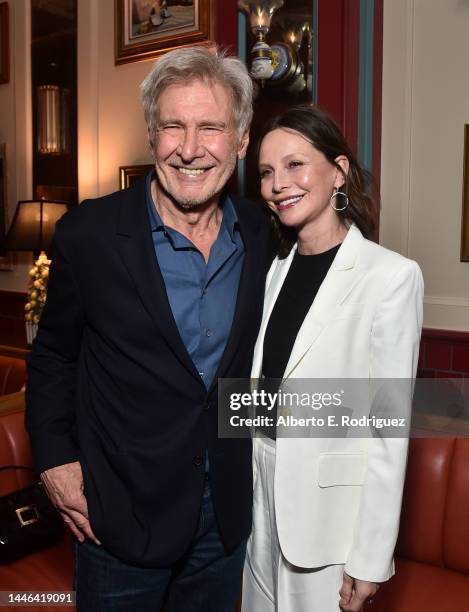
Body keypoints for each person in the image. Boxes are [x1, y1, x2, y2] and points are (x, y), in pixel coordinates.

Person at [25, 46, 273, 612]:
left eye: (210, 127)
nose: (189, 149)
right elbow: (53, 358)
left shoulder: (263, 234)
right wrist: (55, 463)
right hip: (118, 512)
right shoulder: (88, 234)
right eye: (173, 127)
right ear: (150, 135)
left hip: (226, 515)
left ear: (240, 140)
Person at [242, 105, 424, 612]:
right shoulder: (274, 271)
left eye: (295, 165)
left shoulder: (390, 277)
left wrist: (370, 556)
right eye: (266, 172)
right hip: (259, 505)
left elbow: (391, 429)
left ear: (338, 171)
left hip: (328, 523)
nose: (279, 183)